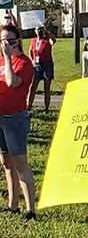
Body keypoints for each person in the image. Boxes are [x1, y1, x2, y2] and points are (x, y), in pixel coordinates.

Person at [0, 24, 37, 219]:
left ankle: (30, 208)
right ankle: (13, 204)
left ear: (17, 41)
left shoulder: (24, 63)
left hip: (14, 118)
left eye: (10, 40)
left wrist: (7, 57)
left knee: (20, 163)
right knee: (6, 162)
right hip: (1, 116)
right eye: (3, 41)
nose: (6, 44)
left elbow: (12, 82)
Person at [26, 26, 56, 110]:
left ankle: (46, 108)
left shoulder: (47, 40)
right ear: (35, 31)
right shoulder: (33, 40)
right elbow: (30, 50)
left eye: (40, 29)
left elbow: (54, 40)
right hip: (37, 65)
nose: (39, 31)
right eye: (37, 29)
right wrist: (32, 60)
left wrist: (47, 32)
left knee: (46, 88)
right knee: (32, 87)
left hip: (47, 65)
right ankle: (28, 107)